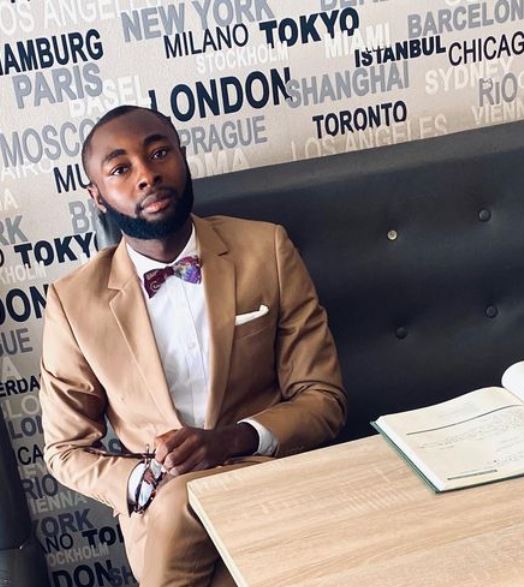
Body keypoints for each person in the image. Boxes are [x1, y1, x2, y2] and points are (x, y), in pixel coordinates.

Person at [40, 105, 347, 587]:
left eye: (159, 153)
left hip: (268, 483)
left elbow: (323, 399)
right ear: (97, 196)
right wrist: (147, 481)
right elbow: (65, 449)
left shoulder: (265, 249)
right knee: (180, 502)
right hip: (161, 519)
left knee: (187, 504)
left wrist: (229, 440)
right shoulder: (74, 302)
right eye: (120, 169)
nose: (147, 175)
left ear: (183, 159)